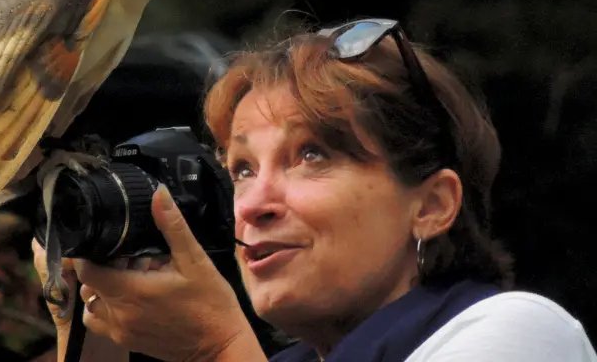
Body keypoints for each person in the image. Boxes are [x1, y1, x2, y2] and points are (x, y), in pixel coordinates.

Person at [31, 18, 597, 361]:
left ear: (432, 205)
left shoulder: (518, 331)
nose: (253, 205)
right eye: (242, 170)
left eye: (310, 156)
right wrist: (92, 331)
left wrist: (216, 349)